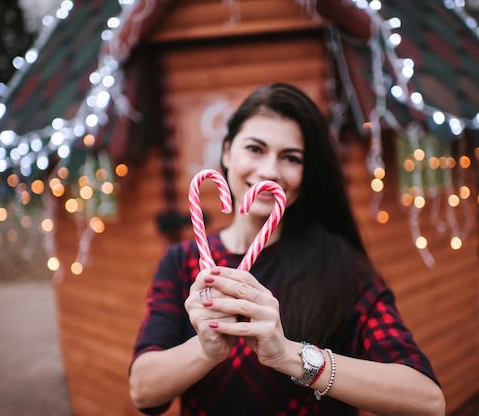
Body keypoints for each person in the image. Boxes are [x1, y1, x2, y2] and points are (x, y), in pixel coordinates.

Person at [129, 83, 445, 415]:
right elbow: (143, 392)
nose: (269, 171)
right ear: (226, 152)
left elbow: (427, 401)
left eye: (290, 157)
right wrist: (205, 350)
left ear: (306, 173)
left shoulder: (339, 265)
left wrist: (289, 355)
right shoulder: (182, 262)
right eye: (255, 149)